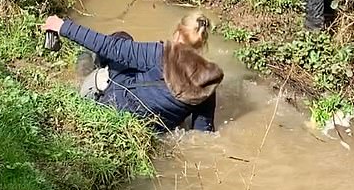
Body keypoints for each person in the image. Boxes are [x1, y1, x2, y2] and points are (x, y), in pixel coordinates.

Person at [44, 13, 224, 133]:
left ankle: (85, 66)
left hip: (117, 106)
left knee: (121, 38)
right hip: (154, 130)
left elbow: (110, 46)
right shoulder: (208, 82)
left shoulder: (159, 53)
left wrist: (62, 26)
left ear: (177, 33)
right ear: (202, 44)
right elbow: (203, 132)